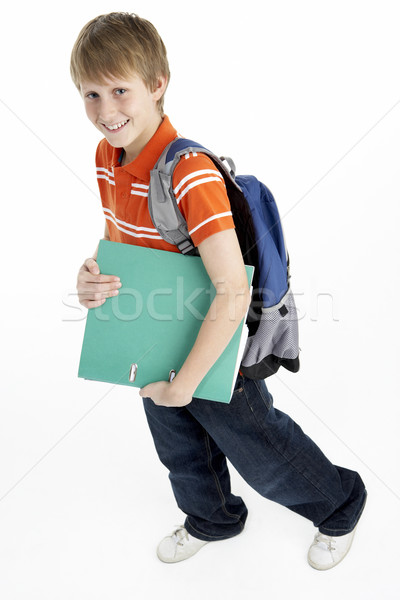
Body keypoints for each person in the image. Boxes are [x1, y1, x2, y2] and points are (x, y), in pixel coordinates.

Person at [70, 12, 367, 570]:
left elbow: (231, 291)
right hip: (152, 339)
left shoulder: (189, 174)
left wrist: (189, 381)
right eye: (90, 94)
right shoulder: (107, 158)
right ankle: (213, 518)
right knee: (179, 446)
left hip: (215, 345)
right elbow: (122, 242)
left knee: (261, 447)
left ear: (158, 84)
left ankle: (340, 505)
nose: (106, 111)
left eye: (119, 90)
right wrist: (91, 277)